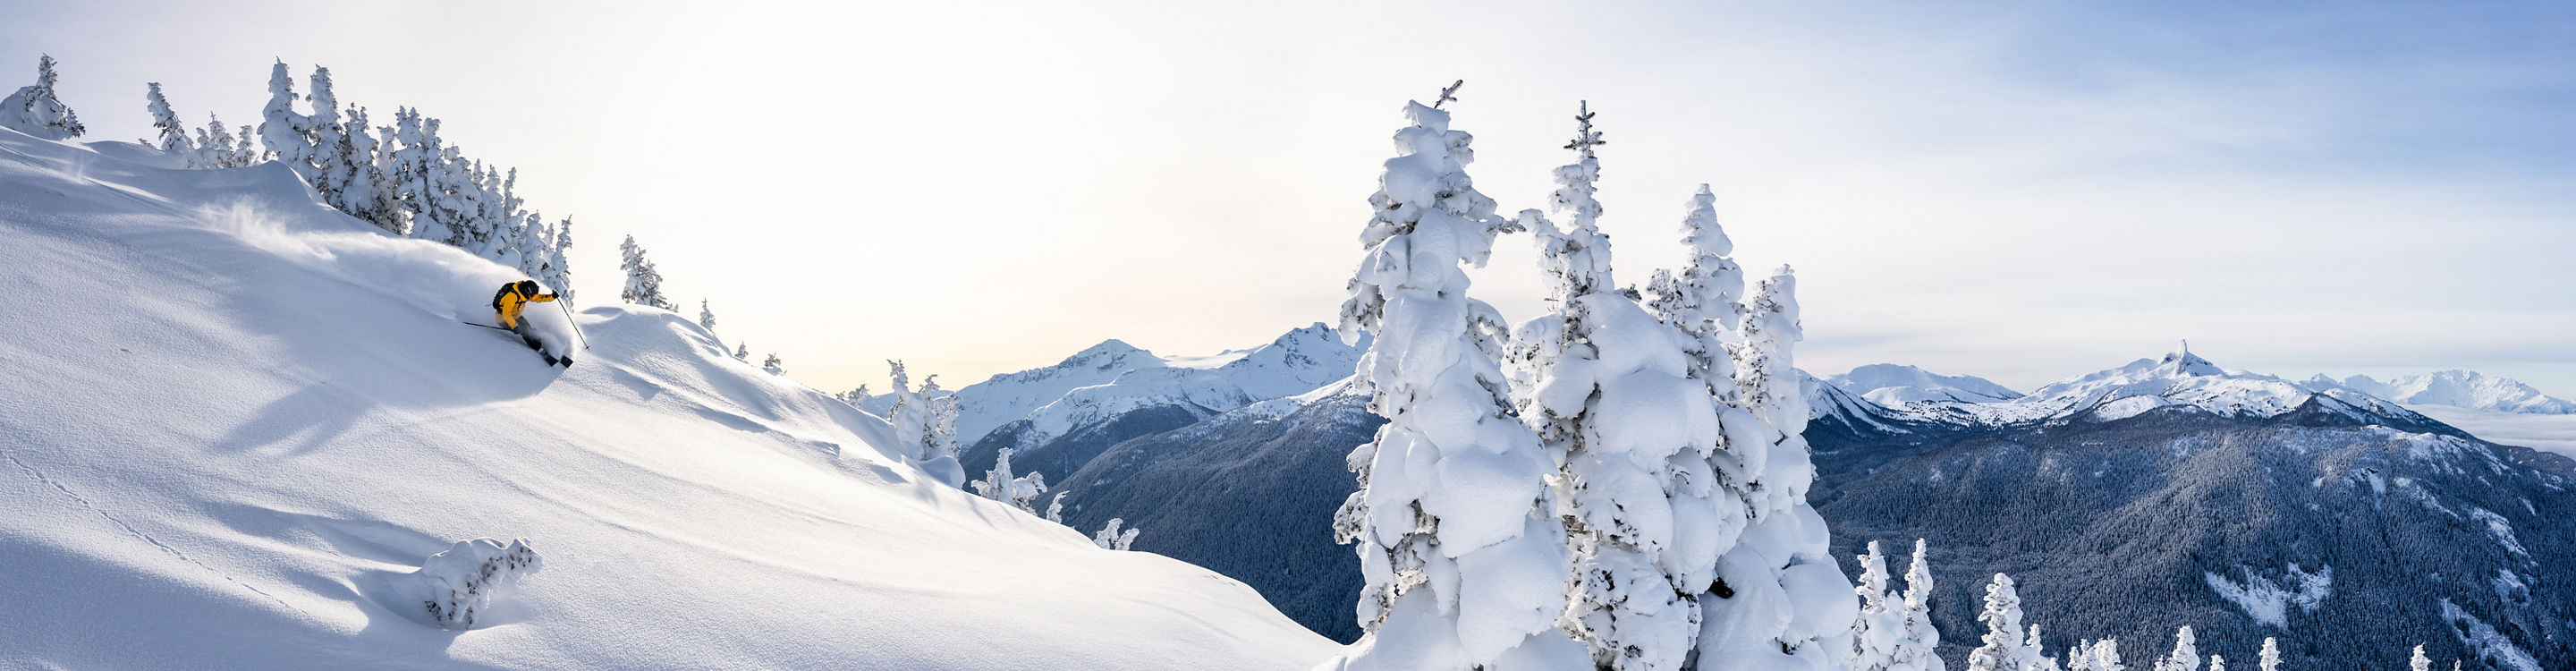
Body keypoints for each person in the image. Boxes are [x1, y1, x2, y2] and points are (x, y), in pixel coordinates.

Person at [491, 280, 570, 367]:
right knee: (525, 332)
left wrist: (552, 297)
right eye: (532, 295)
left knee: (529, 330)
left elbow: (539, 298)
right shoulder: (512, 296)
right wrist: (514, 326)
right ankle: (539, 348)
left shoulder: (525, 294)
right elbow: (506, 314)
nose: (532, 297)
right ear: (527, 290)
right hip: (503, 319)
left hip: (516, 316)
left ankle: (543, 344)